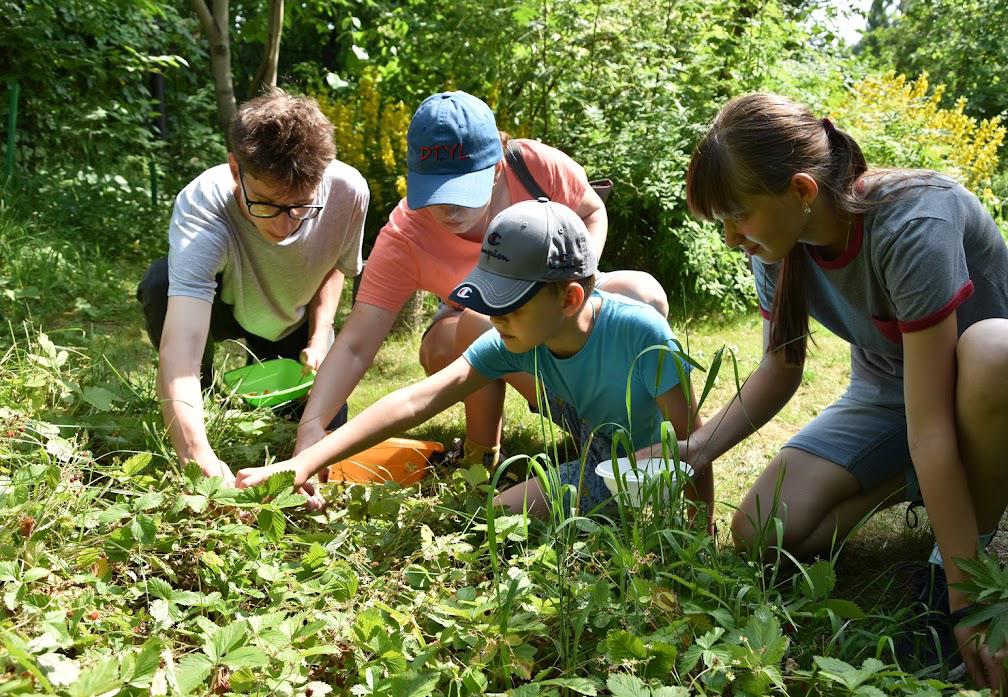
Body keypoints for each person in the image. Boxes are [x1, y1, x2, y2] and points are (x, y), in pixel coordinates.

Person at [675, 92, 1008, 690]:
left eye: (737, 216)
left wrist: (966, 600)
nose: (731, 238)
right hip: (891, 392)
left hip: (995, 386)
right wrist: (694, 449)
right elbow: (780, 368)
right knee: (760, 531)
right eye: (722, 223)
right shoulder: (777, 243)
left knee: (997, 347)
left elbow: (930, 425)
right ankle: (928, 483)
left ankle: (956, 556)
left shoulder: (912, 222)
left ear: (801, 190)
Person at [236, 199, 713, 524]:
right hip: (599, 441)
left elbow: (694, 441)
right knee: (493, 521)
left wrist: (699, 527)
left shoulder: (639, 334)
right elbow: (417, 400)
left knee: (512, 519)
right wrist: (302, 462)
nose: (494, 317)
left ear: (569, 298)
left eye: (510, 303)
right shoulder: (517, 335)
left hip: (652, 464)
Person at [294, 91, 669, 473]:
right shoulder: (405, 236)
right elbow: (356, 343)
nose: (447, 208)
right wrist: (311, 431)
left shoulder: (534, 166)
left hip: (559, 301)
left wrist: (568, 283)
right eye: (434, 192)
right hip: (474, 325)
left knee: (643, 294)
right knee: (477, 319)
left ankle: (634, 425)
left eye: (461, 190)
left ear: (496, 168)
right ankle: (484, 455)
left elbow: (591, 210)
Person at [137, 89, 369, 487]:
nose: (284, 226)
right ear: (234, 169)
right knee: (160, 283)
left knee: (322, 436)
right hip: (224, 303)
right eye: (266, 204)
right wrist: (195, 453)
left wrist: (318, 338)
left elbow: (333, 267)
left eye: (300, 207)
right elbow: (182, 341)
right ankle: (203, 398)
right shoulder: (202, 205)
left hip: (292, 316)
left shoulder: (348, 193)